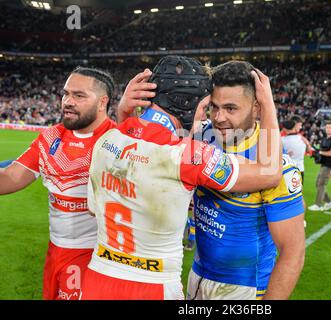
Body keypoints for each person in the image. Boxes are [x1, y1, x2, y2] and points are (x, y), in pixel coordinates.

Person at [81, 55, 283, 300]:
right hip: (152, 287)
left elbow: (98, 205)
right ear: (184, 103)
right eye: (204, 107)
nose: (205, 118)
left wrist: (124, 110)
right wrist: (268, 105)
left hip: (96, 279)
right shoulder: (188, 155)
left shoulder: (105, 139)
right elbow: (270, 172)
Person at [187, 61, 305, 300]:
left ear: (256, 107)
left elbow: (293, 252)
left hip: (245, 289)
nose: (219, 118)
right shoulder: (200, 136)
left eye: (231, 108)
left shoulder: (278, 168)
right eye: (215, 107)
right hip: (197, 276)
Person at [0, 67, 117, 300]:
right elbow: (10, 177)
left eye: (79, 95)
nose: (68, 102)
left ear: (102, 102)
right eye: (66, 94)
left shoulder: (118, 141)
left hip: (95, 255)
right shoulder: (51, 137)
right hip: (56, 251)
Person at [308, 122, 331, 211]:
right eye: (327, 127)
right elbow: (321, 150)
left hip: (329, 165)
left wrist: (320, 152)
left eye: (330, 127)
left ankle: (318, 205)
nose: (328, 129)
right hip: (323, 164)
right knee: (318, 184)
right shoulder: (324, 139)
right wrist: (316, 153)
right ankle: (329, 202)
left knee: (321, 184)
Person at [281, 117, 311, 184]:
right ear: (294, 125)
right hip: (300, 170)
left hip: (287, 170)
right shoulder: (302, 139)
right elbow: (309, 150)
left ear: (284, 128)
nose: (300, 127)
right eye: (300, 125)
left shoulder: (281, 139)